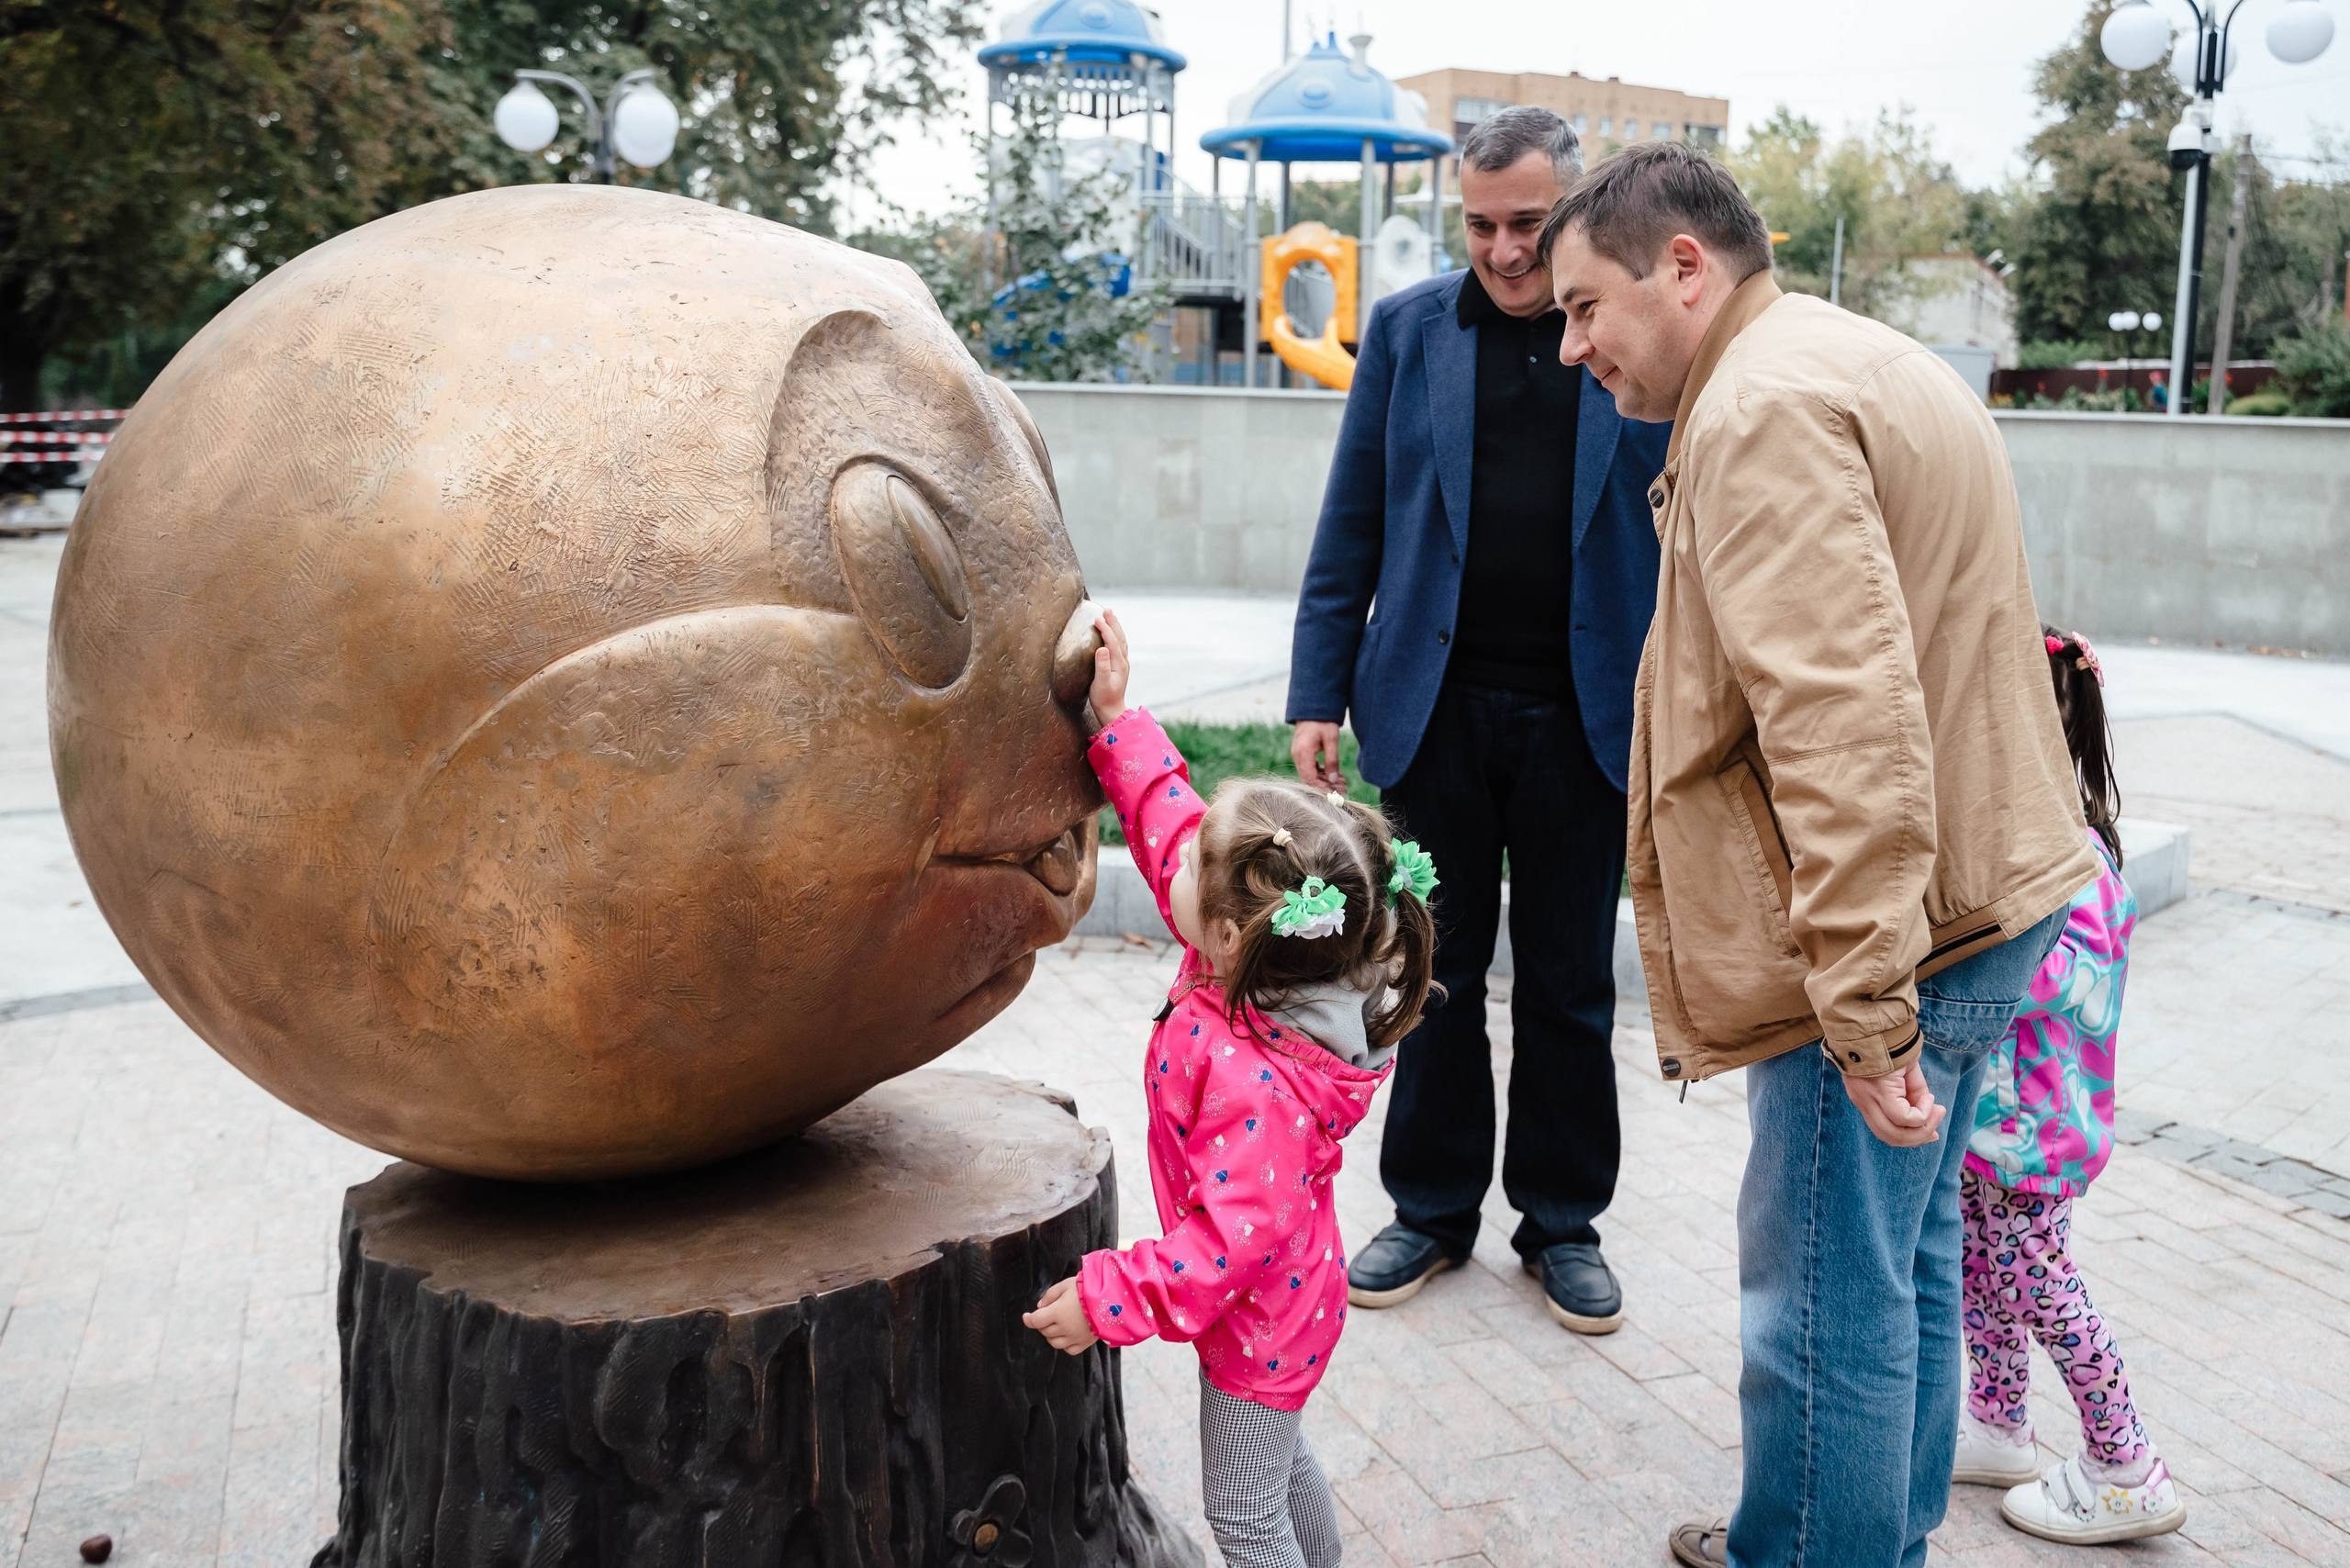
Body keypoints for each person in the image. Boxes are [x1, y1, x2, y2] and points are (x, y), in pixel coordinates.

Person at [1535, 142, 2101, 1568]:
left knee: (1824, 1298)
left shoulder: (1762, 407)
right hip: (1974, 897)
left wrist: (1859, 1004)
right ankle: (1856, 1533)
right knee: (1901, 1261)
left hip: (1898, 931)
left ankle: (1806, 1548)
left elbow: (1841, 725)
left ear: (1684, 268)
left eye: (1587, 306)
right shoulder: (1847, 357)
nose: (1573, 347)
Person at [1286, 105, 1668, 1334]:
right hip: (1432, 714)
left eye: (1530, 224)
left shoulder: (1631, 336)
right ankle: (1431, 1209)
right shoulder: (1408, 333)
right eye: (1483, 224)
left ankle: (1562, 1224)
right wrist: (1316, 691)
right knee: (1428, 973)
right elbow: (1351, 518)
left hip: (1586, 718)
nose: (1506, 251)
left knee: (1570, 986)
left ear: (1575, 212)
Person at [1025, 610, 1438, 1568]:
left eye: (1191, 873)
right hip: (1285, 1299)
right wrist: (1117, 721)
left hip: (1261, 1325)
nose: (1175, 862)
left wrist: (1108, 1297)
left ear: (1220, 937)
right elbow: (1173, 825)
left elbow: (1222, 1249)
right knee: (1282, 1471)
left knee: (1246, 1513)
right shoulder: (1263, 955)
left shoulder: (1261, 1087)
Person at [1953, 627, 2185, 1544]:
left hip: (2035, 1131)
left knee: (2040, 1282)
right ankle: (1998, 1422)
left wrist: (1976, 951)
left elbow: (2071, 982)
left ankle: (2124, 1462)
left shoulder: (2071, 856)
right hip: (1997, 1120)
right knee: (1984, 1270)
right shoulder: (2031, 839)